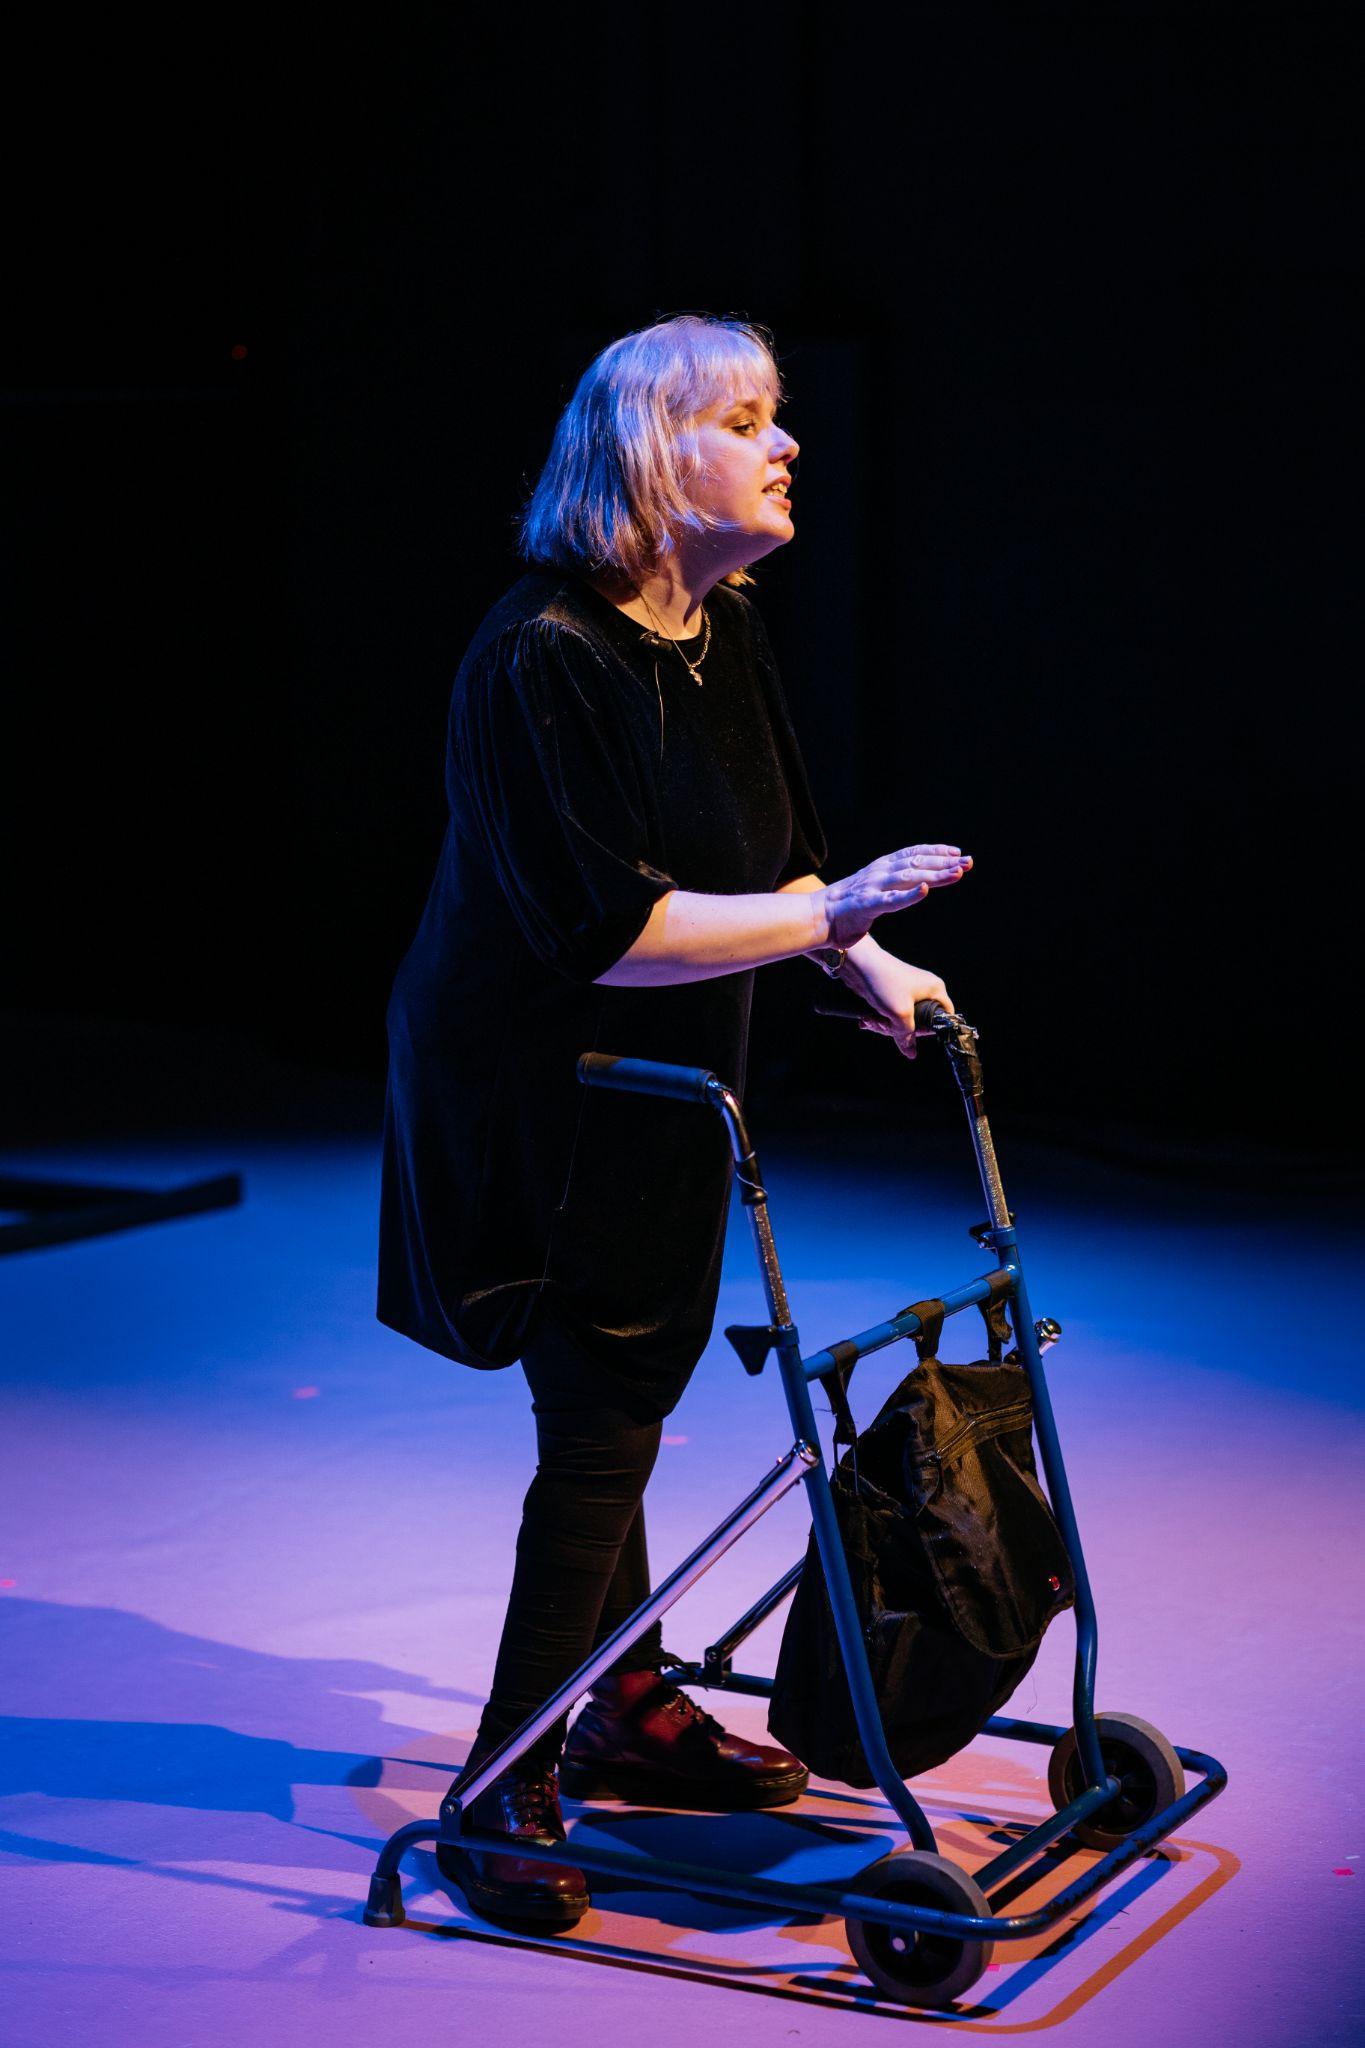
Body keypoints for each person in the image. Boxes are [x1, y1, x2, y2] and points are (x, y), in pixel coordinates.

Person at [376, 312, 972, 1929]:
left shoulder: (726, 629)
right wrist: (829, 916)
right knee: (603, 1409)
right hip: (536, 1085)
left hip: (663, 1080)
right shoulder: (538, 655)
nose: (786, 446)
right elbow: (613, 932)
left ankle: (628, 1709)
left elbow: (784, 877)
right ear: (653, 455)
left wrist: (875, 958)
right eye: (748, 418)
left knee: (619, 1383)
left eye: (780, 417)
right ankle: (504, 1784)